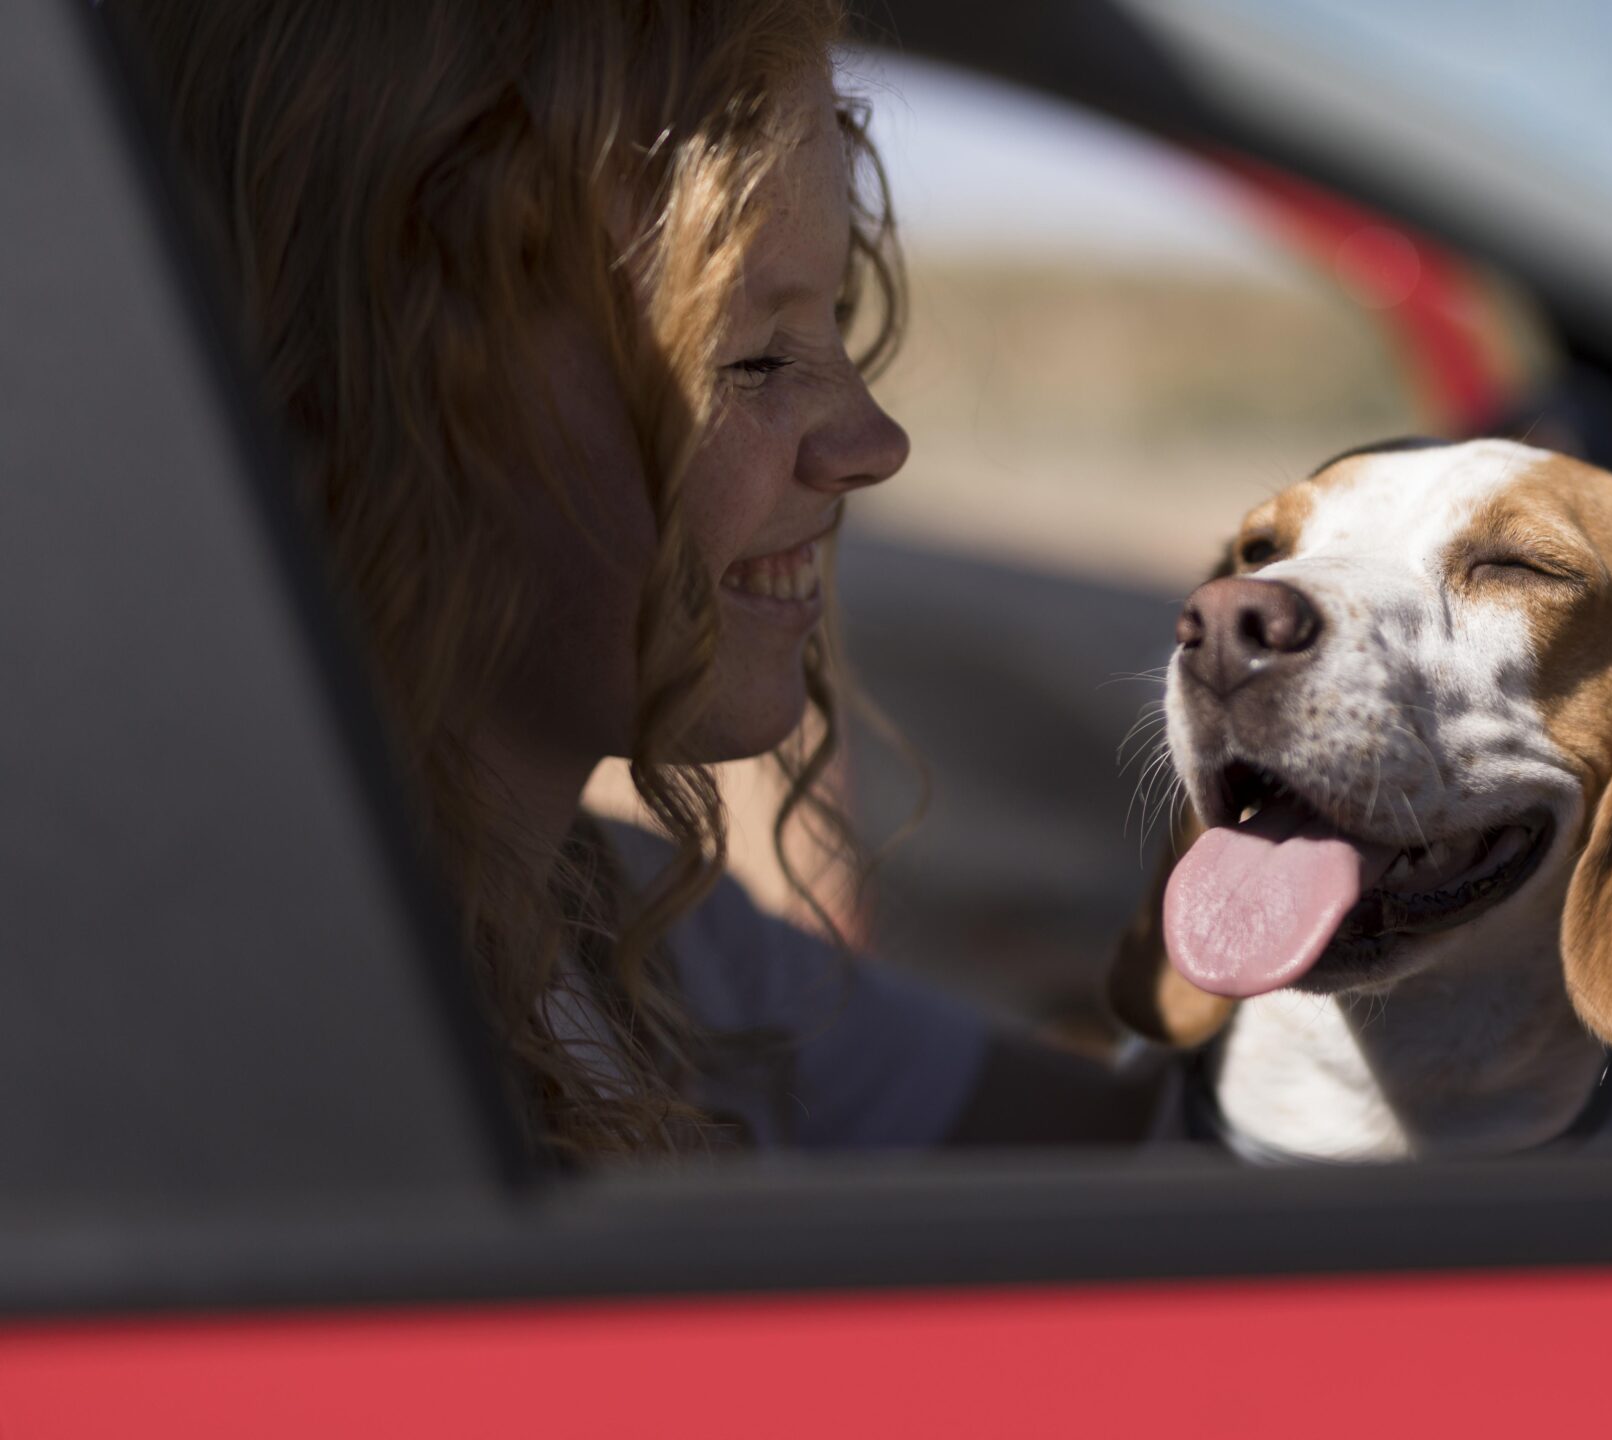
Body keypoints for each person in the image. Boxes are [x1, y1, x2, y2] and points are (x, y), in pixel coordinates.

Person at [116, 0, 1158, 1158]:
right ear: (397, 397)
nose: (872, 441)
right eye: (753, 356)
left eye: (838, 328)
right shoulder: (261, 1035)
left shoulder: (621, 922)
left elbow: (1129, 1170)